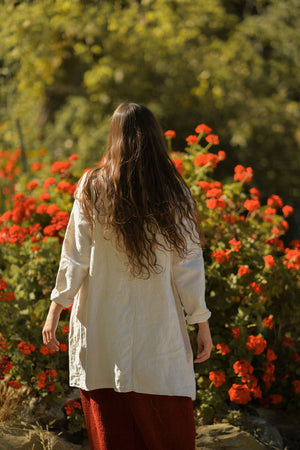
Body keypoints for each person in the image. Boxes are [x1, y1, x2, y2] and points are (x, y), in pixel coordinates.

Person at [42, 102, 213, 450]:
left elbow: (74, 256)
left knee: (113, 434)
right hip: (158, 336)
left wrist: (57, 306)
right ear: (155, 139)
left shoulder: (93, 187)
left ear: (114, 137)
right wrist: (201, 320)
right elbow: (189, 265)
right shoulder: (174, 193)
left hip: (104, 333)